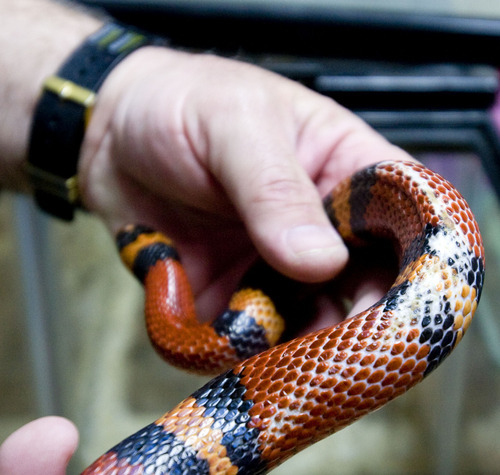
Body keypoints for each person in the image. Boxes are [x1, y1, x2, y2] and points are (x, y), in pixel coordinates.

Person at [0, 0, 413, 473]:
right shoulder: (183, 327)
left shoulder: (185, 325)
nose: (129, 230)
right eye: (137, 237)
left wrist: (114, 112)